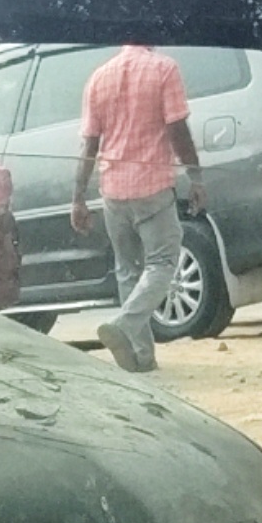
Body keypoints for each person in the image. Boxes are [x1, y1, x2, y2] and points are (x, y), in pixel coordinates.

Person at [68, 42, 204, 373]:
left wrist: (78, 196)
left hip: (113, 190)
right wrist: (196, 176)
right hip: (152, 186)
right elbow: (177, 129)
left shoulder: (99, 76)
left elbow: (90, 143)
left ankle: (142, 358)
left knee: (128, 270)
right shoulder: (164, 68)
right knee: (162, 263)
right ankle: (124, 325)